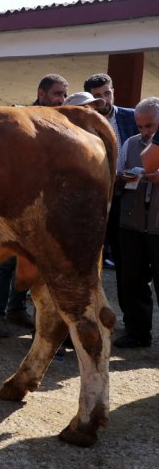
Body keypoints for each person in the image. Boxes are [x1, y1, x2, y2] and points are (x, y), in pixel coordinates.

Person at [0, 75, 67, 337]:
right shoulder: (21, 121)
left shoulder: (58, 123)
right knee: (6, 260)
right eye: (57, 94)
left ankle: (16, 310)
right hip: (15, 204)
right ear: (41, 94)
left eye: (64, 95)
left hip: (42, 205)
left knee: (31, 261)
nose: (62, 100)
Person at [84, 73, 138, 306]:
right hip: (91, 201)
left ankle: (131, 321)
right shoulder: (81, 120)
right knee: (86, 260)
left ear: (113, 90)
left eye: (107, 93)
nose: (104, 100)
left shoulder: (133, 117)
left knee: (127, 264)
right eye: (98, 96)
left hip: (125, 200)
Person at [113, 96, 159, 348]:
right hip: (131, 222)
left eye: (150, 126)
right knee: (132, 280)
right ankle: (137, 332)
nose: (144, 131)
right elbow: (117, 176)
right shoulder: (130, 143)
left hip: (157, 226)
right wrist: (124, 177)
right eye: (140, 126)